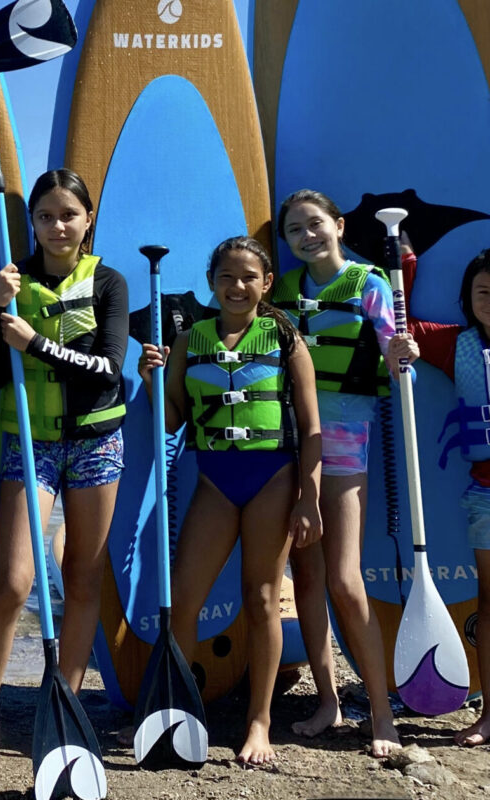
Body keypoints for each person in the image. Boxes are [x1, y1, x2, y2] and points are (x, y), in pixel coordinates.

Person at [0, 168, 126, 780]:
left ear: (87, 218)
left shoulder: (110, 282)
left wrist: (37, 344)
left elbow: (110, 372)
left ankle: (63, 707)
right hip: (31, 443)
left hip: (96, 442)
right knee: (13, 582)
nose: (57, 226)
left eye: (68, 214)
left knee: (83, 577)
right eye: (45, 216)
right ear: (33, 223)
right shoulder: (12, 282)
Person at [140, 236, 323, 764]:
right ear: (211, 282)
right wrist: (152, 378)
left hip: (273, 478)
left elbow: (312, 428)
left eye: (248, 277)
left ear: (266, 284)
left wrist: (308, 498)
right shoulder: (190, 339)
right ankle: (172, 711)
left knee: (262, 599)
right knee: (183, 600)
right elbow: (173, 420)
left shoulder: (285, 337)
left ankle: (259, 721)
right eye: (226, 277)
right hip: (216, 481)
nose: (237, 286)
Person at [270, 189, 419, 757]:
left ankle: (381, 712)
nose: (307, 237)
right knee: (305, 577)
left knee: (343, 579)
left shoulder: (371, 284)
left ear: (338, 224)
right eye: (294, 231)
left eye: (315, 225)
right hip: (286, 443)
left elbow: (393, 354)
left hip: (345, 445)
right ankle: (329, 700)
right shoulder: (281, 292)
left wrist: (401, 350)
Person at [402, 245, 490, 747]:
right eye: (482, 292)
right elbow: (402, 329)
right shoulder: (455, 344)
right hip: (486, 495)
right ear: (468, 299)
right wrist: (405, 261)